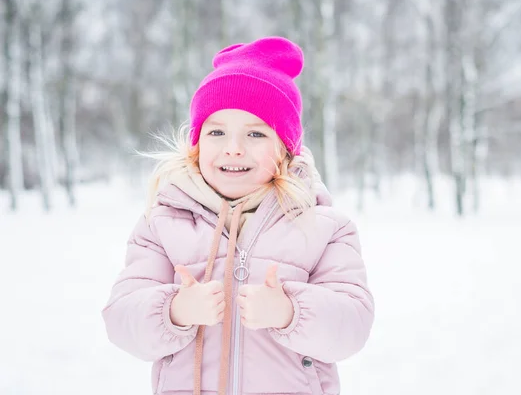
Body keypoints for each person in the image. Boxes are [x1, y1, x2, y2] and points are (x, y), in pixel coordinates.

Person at [102, 36, 374, 395]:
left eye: (255, 133)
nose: (233, 148)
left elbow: (353, 326)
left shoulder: (322, 226)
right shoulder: (163, 223)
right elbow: (121, 319)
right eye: (217, 131)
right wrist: (174, 311)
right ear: (197, 143)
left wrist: (291, 312)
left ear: (285, 147)